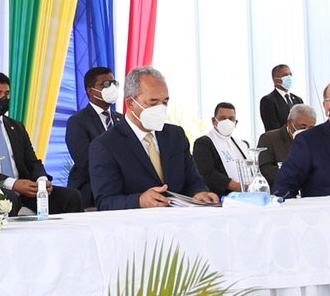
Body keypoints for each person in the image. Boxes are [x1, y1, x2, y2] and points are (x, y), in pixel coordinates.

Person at [0, 72, 81, 214]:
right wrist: (13, 184)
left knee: (71, 196)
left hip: (25, 191)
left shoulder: (16, 127)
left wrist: (41, 181)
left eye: (6, 94)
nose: (3, 98)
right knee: (9, 198)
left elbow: (32, 162)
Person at [91, 68, 220, 210]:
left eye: (165, 102)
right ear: (130, 103)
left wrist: (199, 193)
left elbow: (193, 179)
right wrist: (139, 201)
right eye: (153, 103)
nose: (160, 109)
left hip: (180, 219)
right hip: (138, 222)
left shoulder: (176, 136)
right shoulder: (106, 145)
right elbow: (106, 202)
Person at [62, 66, 120, 209]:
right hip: (91, 191)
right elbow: (86, 163)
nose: (111, 88)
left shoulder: (122, 120)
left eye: (113, 83)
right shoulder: (78, 121)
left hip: (121, 190)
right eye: (106, 84)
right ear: (91, 91)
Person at [192, 102, 257, 195]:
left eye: (231, 119)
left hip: (249, 194)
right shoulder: (203, 143)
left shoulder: (242, 144)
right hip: (223, 196)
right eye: (223, 118)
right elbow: (208, 173)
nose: (227, 122)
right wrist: (238, 187)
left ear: (235, 123)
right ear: (214, 121)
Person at [256, 102, 314, 185]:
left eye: (311, 128)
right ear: (289, 123)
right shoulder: (269, 138)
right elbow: (266, 170)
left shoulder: (315, 141)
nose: (306, 131)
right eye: (302, 127)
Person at [258, 64, 303, 135]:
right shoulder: (268, 100)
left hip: (298, 139)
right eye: (285, 75)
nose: (289, 77)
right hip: (279, 139)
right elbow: (272, 127)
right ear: (276, 80)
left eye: (290, 74)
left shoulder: (298, 100)